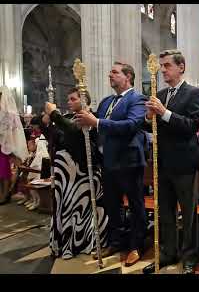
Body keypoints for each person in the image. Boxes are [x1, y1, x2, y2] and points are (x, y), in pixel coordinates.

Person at [75, 61, 147, 267]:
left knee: (135, 205)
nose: (110, 75)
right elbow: (97, 122)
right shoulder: (107, 101)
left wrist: (96, 122)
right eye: (110, 72)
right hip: (108, 162)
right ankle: (117, 241)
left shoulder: (137, 99)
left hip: (129, 162)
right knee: (112, 206)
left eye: (115, 72)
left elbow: (131, 125)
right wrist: (85, 116)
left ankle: (136, 245)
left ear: (128, 77)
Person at [142, 50, 199, 275]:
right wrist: (148, 118)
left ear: (181, 67)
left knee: (188, 214)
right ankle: (168, 252)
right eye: (162, 66)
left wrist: (164, 112)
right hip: (162, 164)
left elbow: (192, 126)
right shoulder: (159, 93)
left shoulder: (193, 93)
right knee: (165, 212)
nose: (163, 70)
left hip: (185, 164)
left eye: (167, 65)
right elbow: (150, 126)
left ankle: (189, 257)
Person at [45, 87, 108, 259]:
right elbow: (58, 138)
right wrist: (47, 124)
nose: (69, 102)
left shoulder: (89, 117)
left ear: (84, 100)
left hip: (83, 174)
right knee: (67, 209)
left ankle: (84, 241)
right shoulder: (68, 117)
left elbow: (74, 132)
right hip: (66, 177)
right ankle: (67, 242)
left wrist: (54, 114)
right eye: (68, 99)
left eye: (73, 99)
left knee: (82, 211)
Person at [0, 87, 28, 204]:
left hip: (5, 145)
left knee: (3, 171)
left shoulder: (10, 114)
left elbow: (12, 130)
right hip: (1, 144)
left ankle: (6, 194)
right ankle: (1, 193)